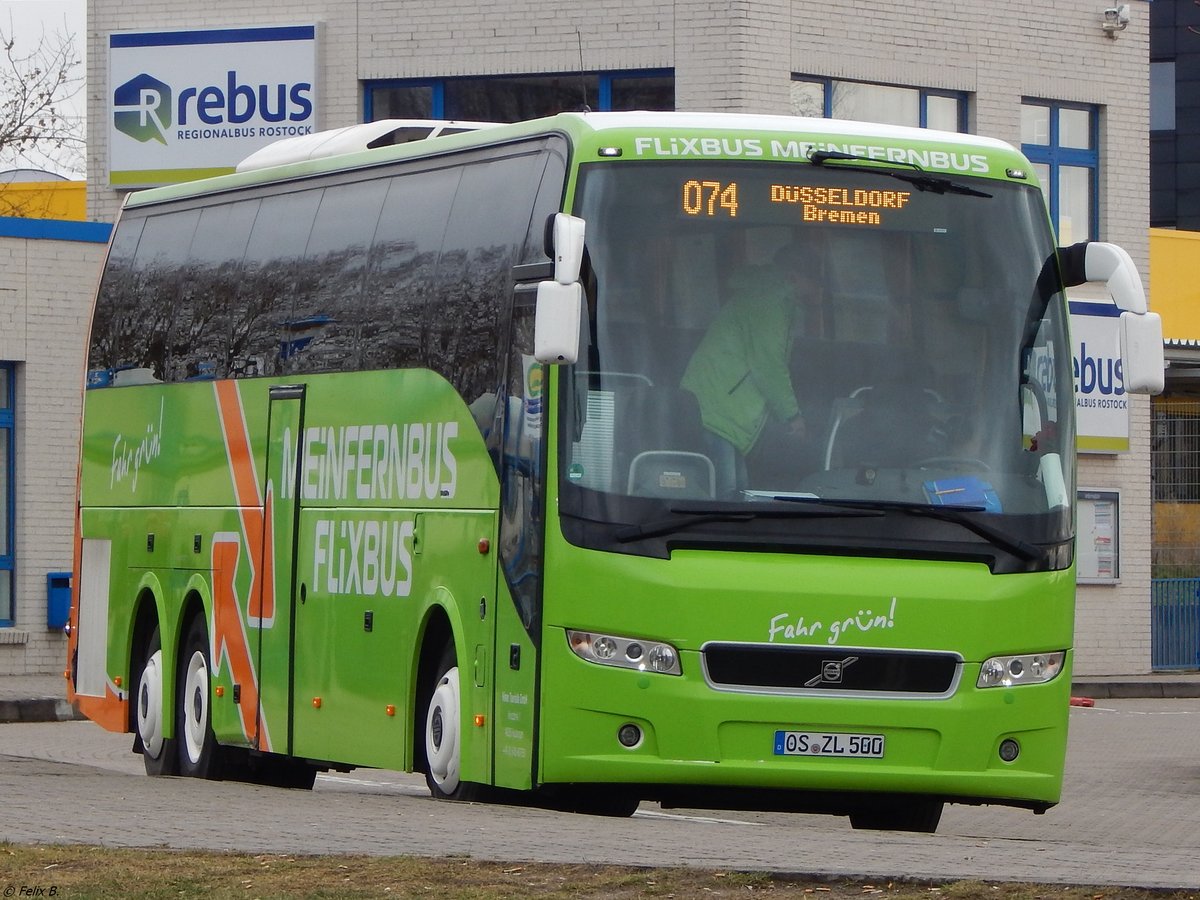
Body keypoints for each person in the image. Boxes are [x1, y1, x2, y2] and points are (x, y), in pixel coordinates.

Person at [681, 261, 807, 496]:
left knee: (738, 493)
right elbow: (768, 366)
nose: (818, 289)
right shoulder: (770, 303)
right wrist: (792, 416)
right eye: (815, 281)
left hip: (723, 407)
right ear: (794, 277)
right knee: (726, 495)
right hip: (718, 409)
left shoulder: (770, 299)